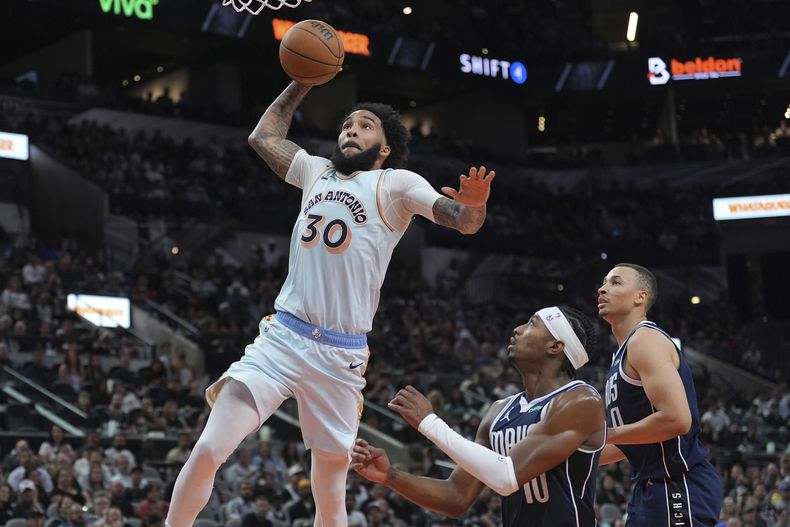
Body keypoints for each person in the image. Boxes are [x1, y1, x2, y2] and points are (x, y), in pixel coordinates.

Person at [164, 79, 495, 527]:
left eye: (365, 126)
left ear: (383, 148)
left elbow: (460, 220)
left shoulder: (394, 183)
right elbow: (263, 138)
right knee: (208, 449)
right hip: (282, 338)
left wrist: (474, 209)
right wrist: (301, 81)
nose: (351, 131)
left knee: (330, 495)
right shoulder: (315, 170)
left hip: (341, 355)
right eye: (346, 125)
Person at [353, 306, 606, 526]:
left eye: (531, 324)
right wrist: (390, 476)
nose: (517, 329)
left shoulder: (580, 400)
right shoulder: (499, 411)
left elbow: (507, 477)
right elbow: (456, 496)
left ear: (555, 346)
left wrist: (430, 424)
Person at [597, 263, 723, 526]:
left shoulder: (645, 340)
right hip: (651, 485)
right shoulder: (621, 353)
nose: (603, 288)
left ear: (640, 297)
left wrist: (606, 434)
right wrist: (569, 455)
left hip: (678, 481)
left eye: (616, 282)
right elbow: (629, 440)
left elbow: (677, 420)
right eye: (605, 282)